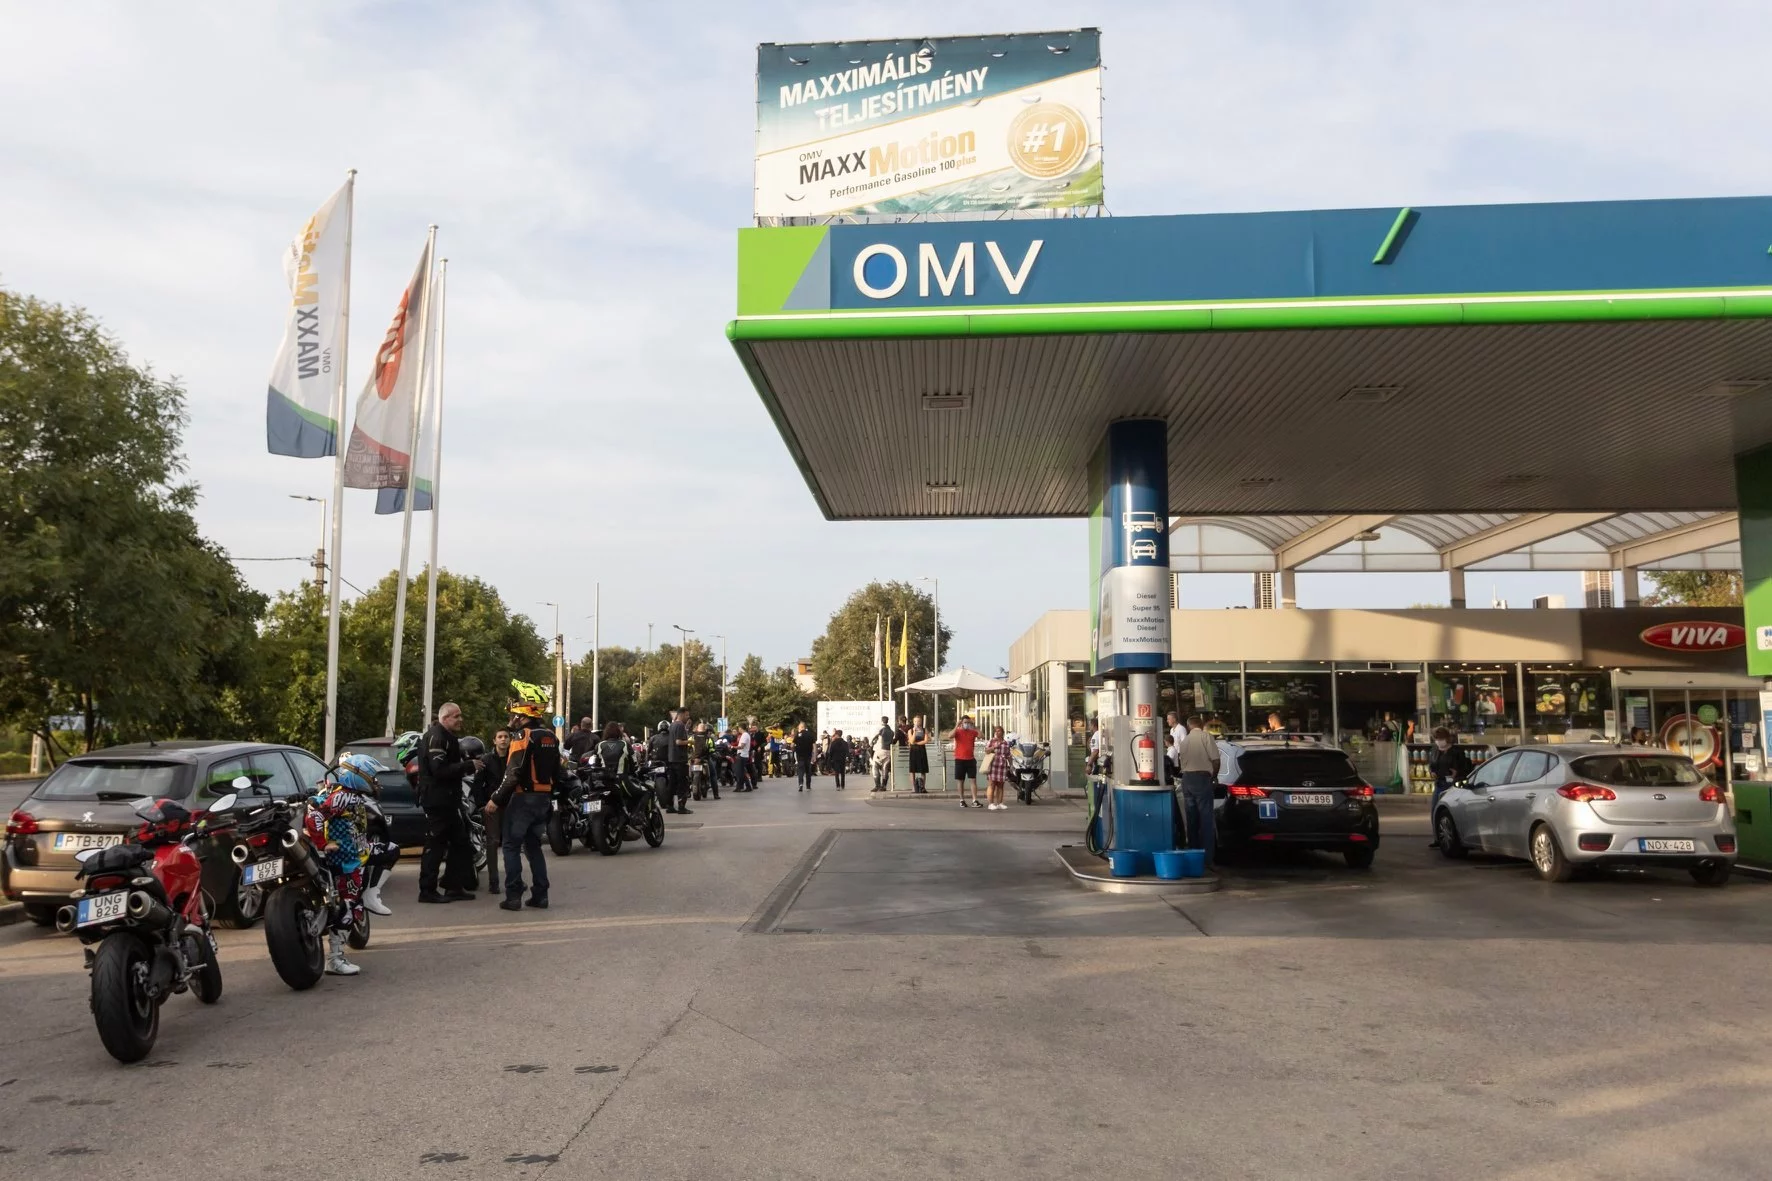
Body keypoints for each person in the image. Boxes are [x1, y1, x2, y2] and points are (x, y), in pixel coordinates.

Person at [304, 752, 383, 976]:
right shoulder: (343, 798)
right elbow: (315, 818)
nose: (375, 781)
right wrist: (324, 843)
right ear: (358, 776)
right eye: (371, 776)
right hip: (345, 863)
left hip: (354, 859)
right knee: (350, 908)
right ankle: (335, 959)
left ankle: (372, 895)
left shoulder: (351, 797)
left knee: (389, 851)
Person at [486, 682, 558, 911]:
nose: (515, 712)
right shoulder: (550, 735)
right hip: (543, 799)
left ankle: (514, 895)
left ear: (526, 709)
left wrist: (495, 799)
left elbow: (513, 773)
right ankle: (541, 895)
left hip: (523, 799)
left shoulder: (522, 736)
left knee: (510, 845)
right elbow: (558, 771)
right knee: (533, 846)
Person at [417, 702, 480, 904]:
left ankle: (453, 886)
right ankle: (427, 890)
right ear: (445, 718)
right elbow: (439, 770)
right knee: (436, 845)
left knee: (461, 843)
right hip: (438, 800)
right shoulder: (437, 737)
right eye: (456, 716)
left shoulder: (447, 737)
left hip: (449, 799)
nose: (461, 719)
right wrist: (468, 765)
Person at [1175, 714, 1222, 867]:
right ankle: (1207, 859)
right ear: (1201, 725)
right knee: (1206, 820)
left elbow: (1181, 761)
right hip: (1202, 779)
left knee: (1191, 820)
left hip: (1187, 780)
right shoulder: (1206, 737)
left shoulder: (1184, 741)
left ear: (1188, 726)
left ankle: (1193, 858)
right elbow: (1216, 760)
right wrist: (1213, 776)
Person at [470, 729, 510, 895]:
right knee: (492, 842)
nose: (503, 740)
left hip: (511, 805)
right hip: (491, 806)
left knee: (511, 843)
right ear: (494, 741)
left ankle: (514, 880)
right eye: (500, 737)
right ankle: (494, 882)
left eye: (506, 737)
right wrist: (482, 805)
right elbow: (477, 785)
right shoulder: (486, 760)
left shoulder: (514, 757)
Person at [1425, 727, 1474, 848]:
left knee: (1451, 811)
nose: (1438, 741)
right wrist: (1432, 772)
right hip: (1440, 783)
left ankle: (1454, 837)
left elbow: (1465, 767)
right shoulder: (1435, 751)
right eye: (1436, 739)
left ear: (1447, 738)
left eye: (1440, 738)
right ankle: (1438, 838)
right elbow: (1431, 764)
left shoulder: (1456, 752)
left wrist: (1457, 773)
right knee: (1435, 811)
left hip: (1453, 784)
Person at [952, 714, 981, 808]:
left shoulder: (972, 732)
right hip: (959, 759)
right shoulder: (958, 731)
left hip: (970, 759)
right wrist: (956, 725)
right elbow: (950, 735)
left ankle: (974, 800)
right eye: (965, 722)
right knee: (960, 781)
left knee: (973, 780)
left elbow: (981, 736)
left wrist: (974, 726)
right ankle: (962, 800)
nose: (967, 724)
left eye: (968, 722)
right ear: (961, 723)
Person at [984, 725, 1012, 810]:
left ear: (1002, 732)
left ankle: (1000, 803)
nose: (997, 732)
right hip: (993, 765)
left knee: (1000, 785)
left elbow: (1008, 755)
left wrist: (1011, 765)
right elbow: (986, 751)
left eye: (999, 731)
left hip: (1002, 766)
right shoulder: (991, 741)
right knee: (992, 784)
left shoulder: (1005, 743)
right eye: (996, 731)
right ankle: (991, 803)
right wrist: (994, 747)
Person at [873, 715, 896, 793]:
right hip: (888, 751)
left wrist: (871, 743)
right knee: (885, 768)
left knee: (875, 766)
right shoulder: (891, 731)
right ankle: (884, 786)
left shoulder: (880, 729)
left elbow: (874, 738)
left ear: (882, 721)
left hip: (880, 750)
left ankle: (877, 785)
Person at [908, 714, 930, 793]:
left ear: (921, 722)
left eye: (918, 721)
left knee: (923, 770)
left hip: (922, 751)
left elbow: (926, 740)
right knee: (913, 770)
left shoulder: (924, 730)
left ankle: (923, 787)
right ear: (913, 722)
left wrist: (917, 743)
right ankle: (914, 787)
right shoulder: (910, 730)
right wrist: (914, 732)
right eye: (915, 721)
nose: (917, 723)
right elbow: (911, 741)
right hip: (913, 751)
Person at [794, 722, 816, 791]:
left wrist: (795, 748)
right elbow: (814, 746)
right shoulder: (810, 734)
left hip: (800, 755)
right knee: (808, 771)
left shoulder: (798, 735)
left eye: (798, 727)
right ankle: (808, 786)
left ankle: (800, 784)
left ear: (801, 727)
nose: (798, 728)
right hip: (808, 755)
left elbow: (792, 744)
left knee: (800, 770)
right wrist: (814, 756)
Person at [733, 724, 754, 792]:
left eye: (739, 728)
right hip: (743, 755)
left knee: (740, 772)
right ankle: (742, 787)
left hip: (742, 755)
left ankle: (745, 786)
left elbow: (742, 746)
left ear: (741, 728)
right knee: (742, 772)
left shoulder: (744, 735)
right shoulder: (745, 735)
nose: (738, 730)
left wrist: (733, 747)